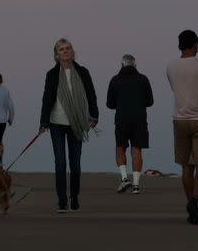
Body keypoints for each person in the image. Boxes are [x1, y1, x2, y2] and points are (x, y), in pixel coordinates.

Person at [39, 38, 99, 213]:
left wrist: (94, 116)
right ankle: (62, 200)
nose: (66, 51)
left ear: (72, 52)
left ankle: (74, 196)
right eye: (62, 49)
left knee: (75, 163)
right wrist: (43, 121)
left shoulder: (82, 72)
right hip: (56, 122)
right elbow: (47, 98)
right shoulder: (51, 74)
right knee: (60, 162)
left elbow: (91, 95)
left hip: (77, 122)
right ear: (56, 55)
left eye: (68, 48)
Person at [166, 30, 198, 225]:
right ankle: (195, 201)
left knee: (186, 167)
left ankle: (191, 206)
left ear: (179, 45)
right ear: (196, 44)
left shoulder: (170, 67)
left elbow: (178, 89)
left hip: (179, 119)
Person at [106, 54, 154, 194]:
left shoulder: (115, 80)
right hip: (139, 118)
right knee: (136, 150)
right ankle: (136, 185)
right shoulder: (143, 79)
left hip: (122, 118)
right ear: (135, 65)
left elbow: (110, 104)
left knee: (120, 148)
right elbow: (150, 101)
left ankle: (124, 178)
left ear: (122, 65)